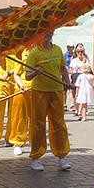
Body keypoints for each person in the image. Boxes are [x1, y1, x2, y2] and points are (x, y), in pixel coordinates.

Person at [24, 31, 71, 172]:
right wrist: (35, 72)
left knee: (59, 123)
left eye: (50, 32)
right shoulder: (34, 53)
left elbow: (63, 69)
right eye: (46, 32)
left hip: (56, 90)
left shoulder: (57, 49)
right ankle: (36, 157)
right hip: (39, 92)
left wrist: (67, 83)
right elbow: (27, 76)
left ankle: (62, 156)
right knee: (38, 124)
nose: (48, 34)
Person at [0, 48, 29, 153]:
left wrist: (10, 73)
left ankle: (10, 137)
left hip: (16, 81)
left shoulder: (24, 46)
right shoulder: (4, 42)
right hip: (2, 79)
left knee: (14, 113)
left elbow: (25, 64)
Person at [71, 46, 94, 121]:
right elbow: (72, 69)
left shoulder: (86, 60)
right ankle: (77, 109)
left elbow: (88, 68)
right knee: (75, 94)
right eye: (78, 52)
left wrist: (84, 62)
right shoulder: (74, 60)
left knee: (82, 97)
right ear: (76, 52)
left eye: (82, 52)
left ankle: (81, 111)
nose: (80, 53)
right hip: (76, 76)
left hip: (84, 77)